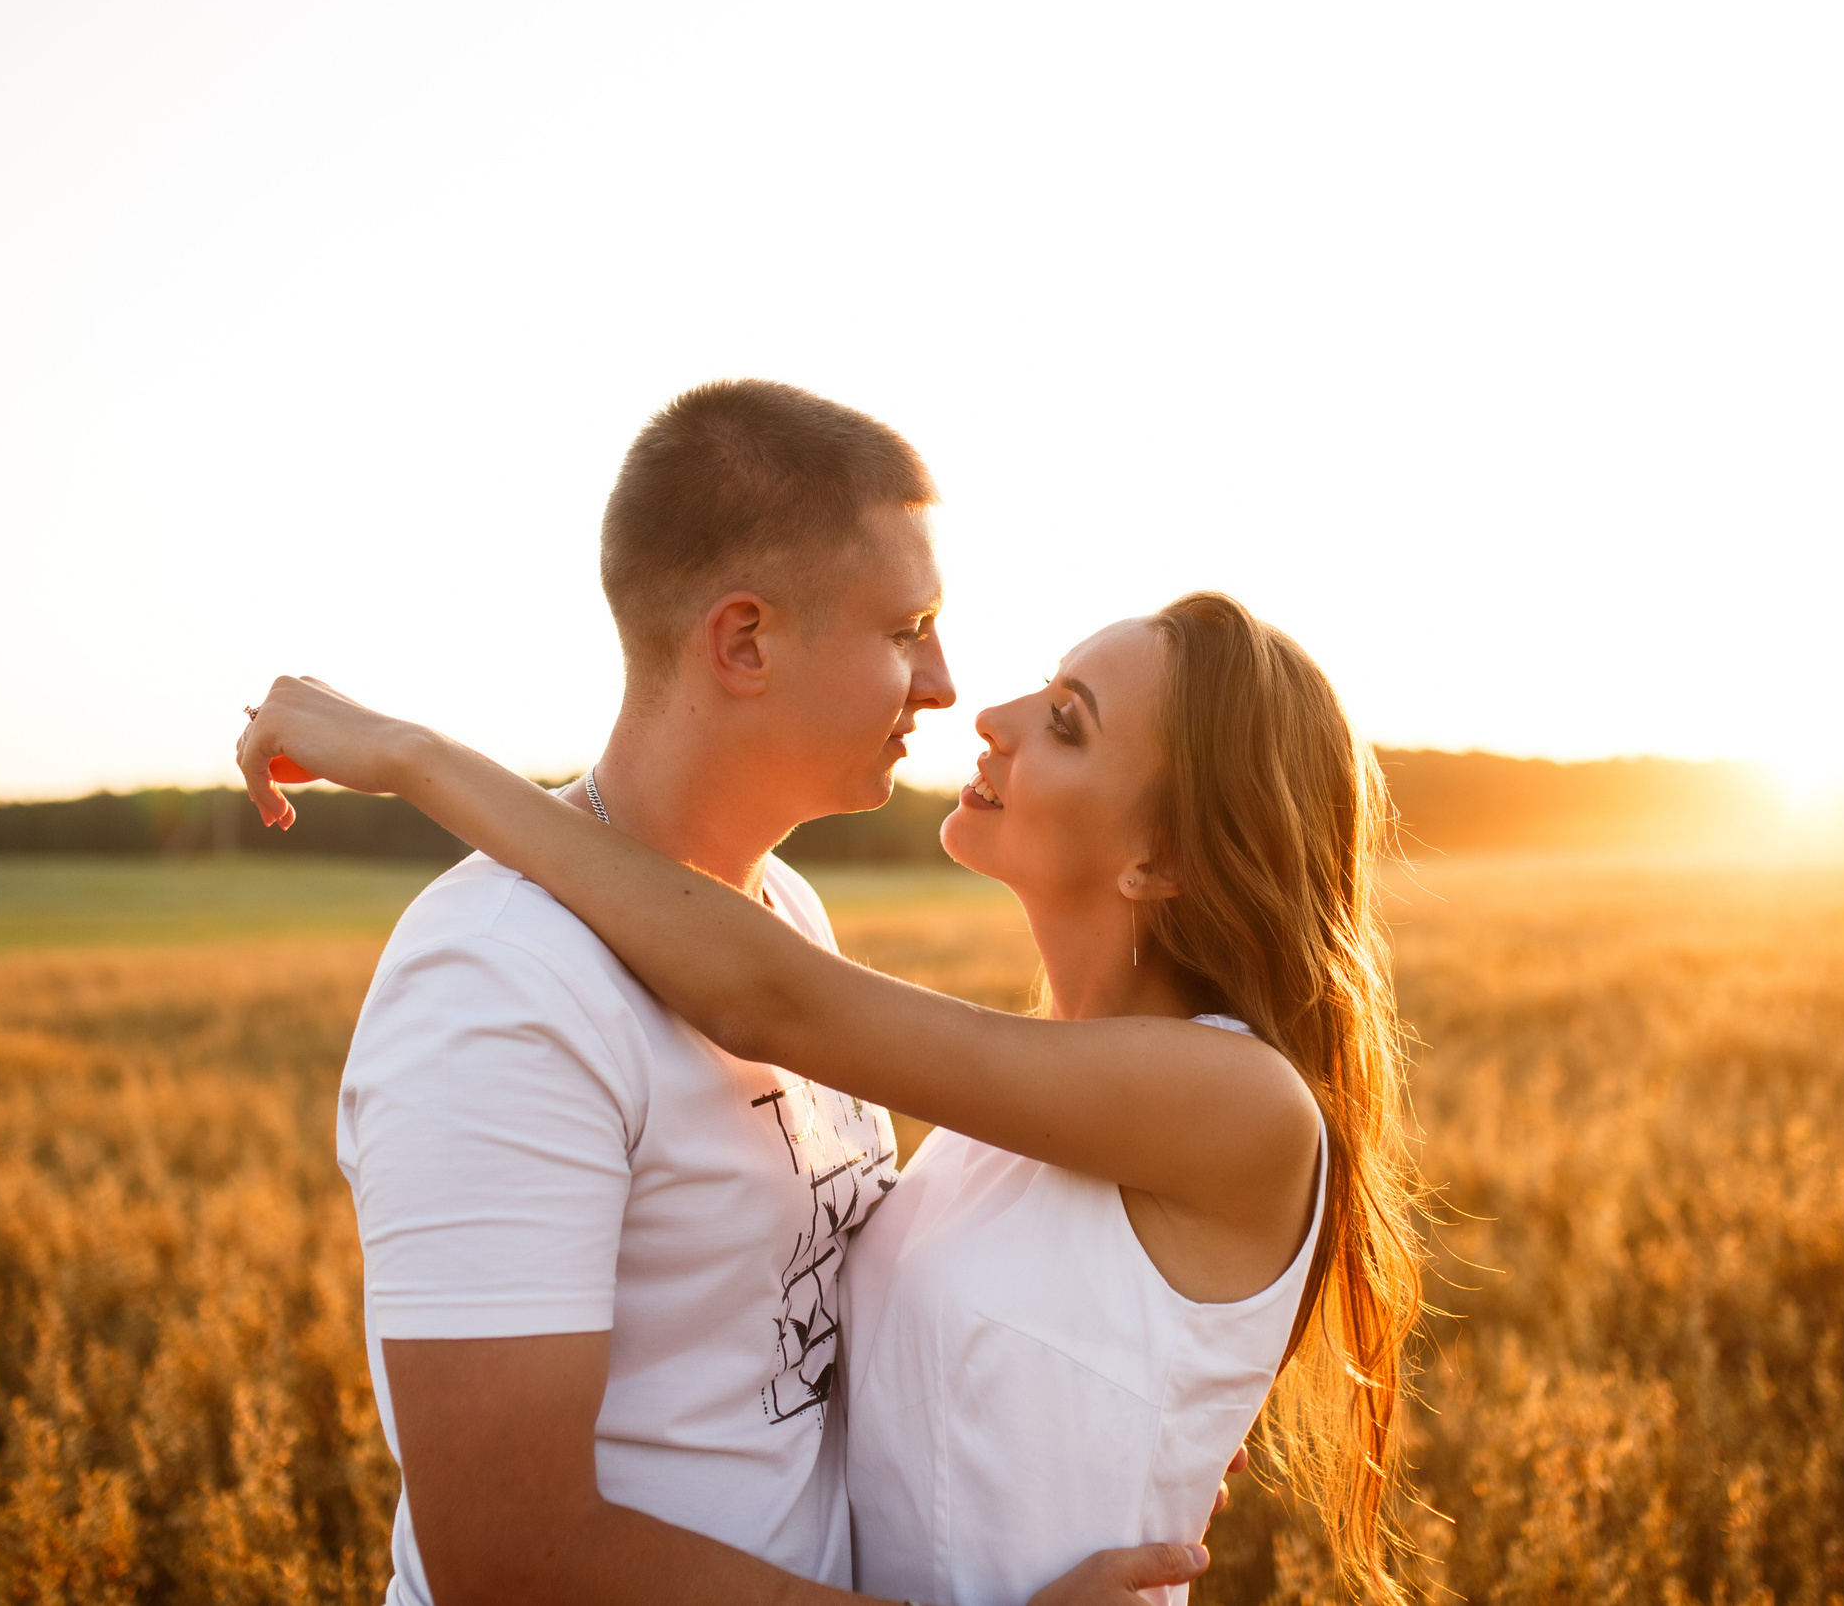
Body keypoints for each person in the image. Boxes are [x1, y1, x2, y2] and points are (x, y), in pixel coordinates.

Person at [241, 588, 1424, 1604]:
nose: (991, 717)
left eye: (1064, 725)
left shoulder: (1237, 1100)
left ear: (1158, 861)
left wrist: (412, 759)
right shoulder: (1013, 1111)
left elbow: (773, 1003)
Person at [312, 379, 1204, 1606]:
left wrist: (1097, 1426)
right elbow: (508, 1561)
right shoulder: (497, 981)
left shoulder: (782, 915)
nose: (944, 684)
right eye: (906, 629)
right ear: (743, 642)